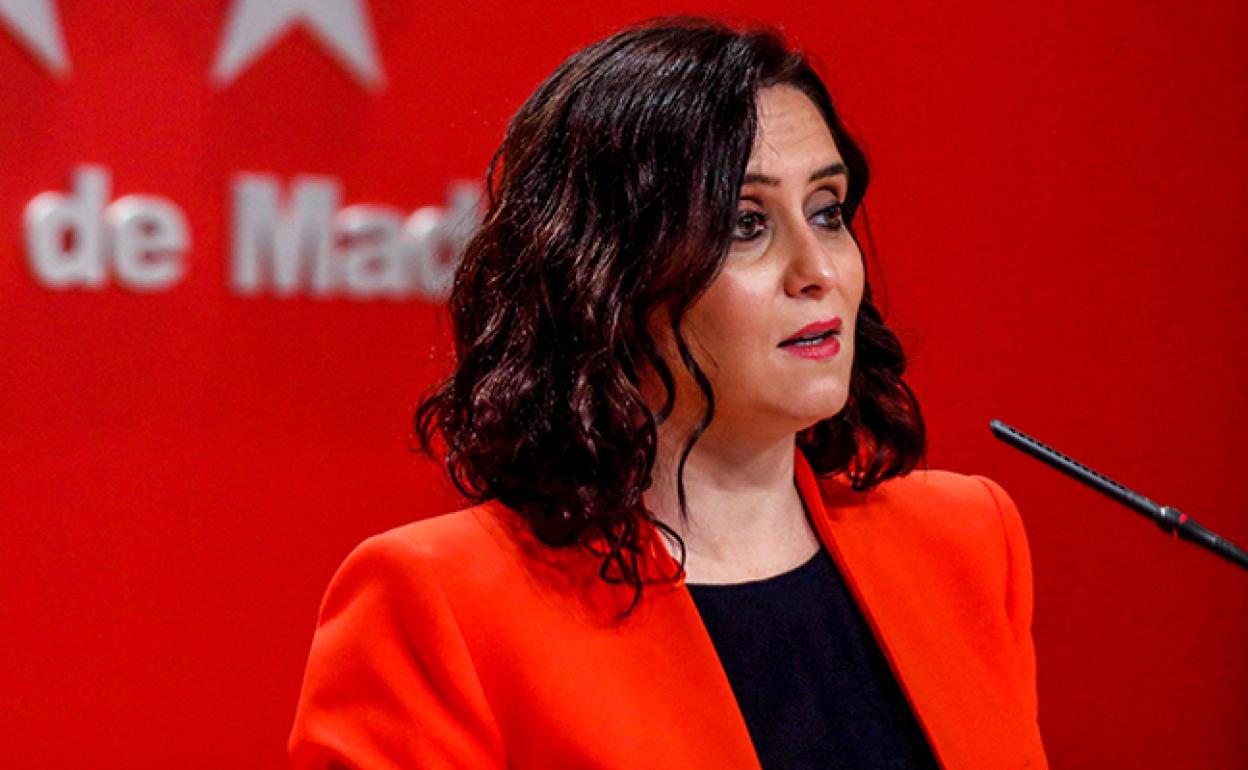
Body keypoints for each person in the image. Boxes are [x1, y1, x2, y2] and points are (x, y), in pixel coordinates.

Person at [289, 17, 1048, 770]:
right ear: (606, 275)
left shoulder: (965, 542)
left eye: (827, 211)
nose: (818, 270)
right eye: (746, 224)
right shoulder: (440, 602)